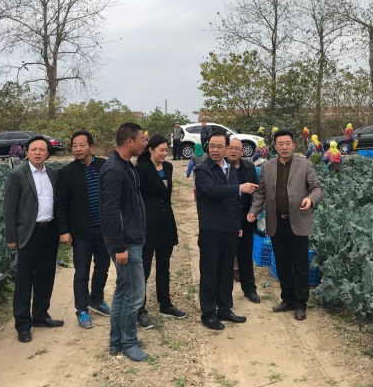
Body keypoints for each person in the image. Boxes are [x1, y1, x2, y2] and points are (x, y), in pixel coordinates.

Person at [247, 129, 324, 322]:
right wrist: (253, 211)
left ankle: (300, 303)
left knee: (300, 265)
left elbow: (317, 188)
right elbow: (261, 193)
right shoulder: (267, 167)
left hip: (298, 221)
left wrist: (310, 199)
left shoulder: (305, 165)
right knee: (282, 263)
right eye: (280, 144)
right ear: (275, 146)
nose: (284, 147)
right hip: (276, 222)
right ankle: (287, 299)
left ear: (293, 145)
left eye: (287, 143)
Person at [194, 130, 257, 330]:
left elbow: (234, 201)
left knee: (226, 271)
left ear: (226, 148)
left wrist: (237, 225)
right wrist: (239, 188)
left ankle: (224, 308)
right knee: (209, 271)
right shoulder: (202, 169)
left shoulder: (230, 169)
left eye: (219, 146)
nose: (215, 150)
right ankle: (208, 313)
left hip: (230, 229)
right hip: (211, 228)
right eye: (212, 146)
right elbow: (212, 191)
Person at [3, 136, 63, 343]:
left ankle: (40, 315)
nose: (38, 153)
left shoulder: (53, 173)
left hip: (49, 231)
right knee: (24, 280)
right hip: (28, 232)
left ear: (47, 153)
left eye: (42, 149)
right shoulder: (17, 175)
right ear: (27, 152)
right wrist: (11, 237)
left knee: (46, 276)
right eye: (34, 149)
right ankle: (23, 324)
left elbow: (58, 202)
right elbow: (9, 208)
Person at [100, 122, 148, 362]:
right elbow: (110, 212)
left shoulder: (125, 165)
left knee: (123, 291)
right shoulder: (114, 170)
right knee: (134, 295)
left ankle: (117, 341)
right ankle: (128, 342)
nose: (143, 144)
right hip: (126, 242)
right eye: (141, 140)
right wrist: (119, 246)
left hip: (131, 238)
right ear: (129, 141)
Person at [55, 130, 110, 331]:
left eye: (82, 145)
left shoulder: (104, 166)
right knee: (82, 271)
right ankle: (81, 309)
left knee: (103, 267)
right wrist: (63, 230)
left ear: (91, 146)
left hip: (104, 230)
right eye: (74, 146)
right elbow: (60, 204)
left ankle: (97, 299)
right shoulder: (66, 173)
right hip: (81, 231)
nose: (77, 149)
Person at [136, 135, 186, 330]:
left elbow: (167, 195)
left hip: (166, 222)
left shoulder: (169, 167)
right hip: (149, 224)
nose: (165, 153)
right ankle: (140, 309)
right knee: (144, 269)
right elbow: (138, 198)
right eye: (161, 150)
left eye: (167, 150)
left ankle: (165, 304)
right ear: (151, 149)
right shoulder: (141, 169)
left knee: (164, 266)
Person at [227, 138, 260, 303]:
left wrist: (254, 210)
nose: (233, 151)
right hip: (227, 218)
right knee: (226, 256)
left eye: (237, 149)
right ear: (226, 150)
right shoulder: (221, 168)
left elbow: (257, 192)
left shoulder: (249, 167)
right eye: (230, 148)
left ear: (242, 152)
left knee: (246, 254)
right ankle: (226, 293)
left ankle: (249, 289)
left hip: (246, 217)